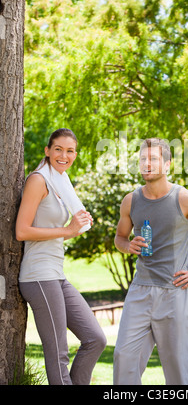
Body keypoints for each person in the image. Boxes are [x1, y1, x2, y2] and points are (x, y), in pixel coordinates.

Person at [113, 138, 188, 385]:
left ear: (167, 165)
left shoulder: (185, 198)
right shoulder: (130, 200)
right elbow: (119, 238)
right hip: (139, 291)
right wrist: (127, 246)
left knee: (178, 370)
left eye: (153, 159)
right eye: (143, 159)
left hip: (175, 292)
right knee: (124, 359)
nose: (147, 164)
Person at [16, 128, 106, 385]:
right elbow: (22, 231)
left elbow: (50, 233)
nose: (63, 155)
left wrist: (72, 232)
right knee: (58, 354)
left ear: (75, 155)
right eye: (58, 149)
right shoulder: (39, 180)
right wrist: (67, 229)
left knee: (95, 338)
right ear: (47, 151)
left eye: (69, 151)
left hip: (56, 275)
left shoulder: (60, 182)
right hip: (38, 276)